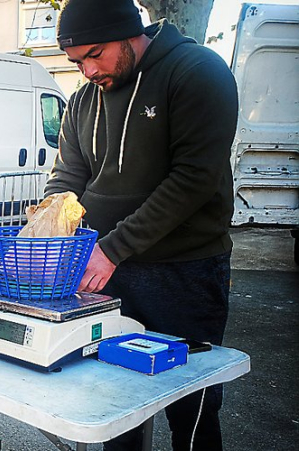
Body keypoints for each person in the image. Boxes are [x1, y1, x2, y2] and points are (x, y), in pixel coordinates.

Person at [45, 0, 238, 450]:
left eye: (95, 54)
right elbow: (68, 176)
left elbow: (193, 179)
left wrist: (113, 248)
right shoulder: (82, 100)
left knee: (191, 405)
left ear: (129, 33)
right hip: (104, 272)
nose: (88, 71)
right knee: (116, 399)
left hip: (184, 272)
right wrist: (48, 225)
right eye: (77, 62)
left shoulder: (197, 72)